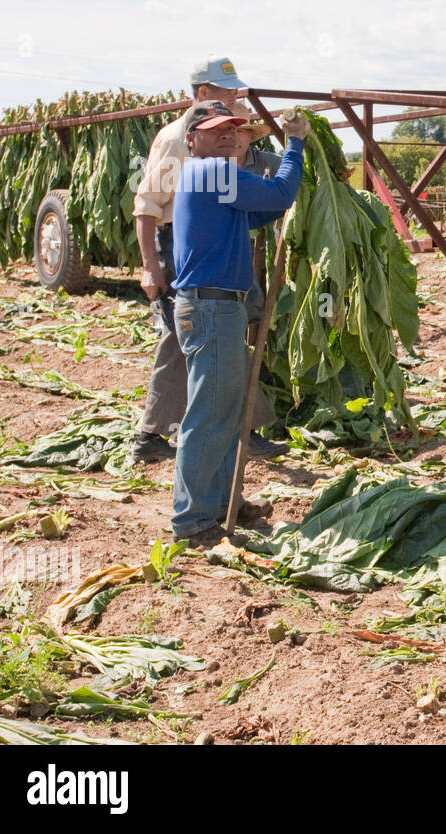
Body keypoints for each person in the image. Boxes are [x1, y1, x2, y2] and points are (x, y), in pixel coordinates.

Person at [130, 56, 286, 463]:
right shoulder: (175, 139)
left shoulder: (225, 138)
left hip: (213, 240)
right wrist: (150, 265)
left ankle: (240, 429)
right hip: (179, 243)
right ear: (203, 94)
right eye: (226, 91)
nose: (235, 97)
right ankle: (153, 434)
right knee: (183, 340)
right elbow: (146, 207)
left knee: (221, 333)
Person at [168, 100, 309, 545]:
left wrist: (284, 191)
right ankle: (192, 521)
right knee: (209, 413)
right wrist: (296, 146)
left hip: (216, 308)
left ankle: (224, 503)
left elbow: (262, 211)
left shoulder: (213, 180)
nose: (228, 136)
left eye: (234, 129)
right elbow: (279, 196)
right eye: (215, 129)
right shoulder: (211, 173)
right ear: (192, 140)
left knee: (225, 412)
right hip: (210, 310)